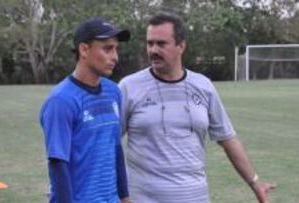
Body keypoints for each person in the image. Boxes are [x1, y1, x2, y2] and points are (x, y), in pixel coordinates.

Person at [118, 12, 276, 203]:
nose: (153, 50)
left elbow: (228, 139)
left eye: (161, 44)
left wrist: (255, 183)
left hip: (195, 197)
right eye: (150, 43)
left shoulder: (203, 86)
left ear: (181, 46)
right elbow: (107, 144)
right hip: (143, 198)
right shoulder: (129, 87)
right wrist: (121, 194)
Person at [40, 17, 130, 203]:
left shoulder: (113, 92)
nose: (115, 57)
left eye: (116, 49)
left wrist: (124, 197)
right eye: (107, 48)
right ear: (84, 49)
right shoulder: (62, 100)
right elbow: (58, 163)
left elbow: (115, 148)